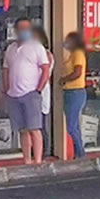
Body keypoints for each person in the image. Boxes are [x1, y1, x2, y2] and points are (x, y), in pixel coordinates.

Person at [3, 19, 50, 165]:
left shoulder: (37, 47)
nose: (25, 31)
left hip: (31, 94)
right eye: (22, 28)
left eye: (28, 28)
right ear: (16, 30)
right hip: (14, 95)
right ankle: (27, 160)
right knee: (22, 130)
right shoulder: (11, 49)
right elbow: (6, 69)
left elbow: (45, 69)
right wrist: (6, 88)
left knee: (34, 129)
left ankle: (38, 161)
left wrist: (39, 90)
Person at [59, 32, 88, 158]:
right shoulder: (72, 55)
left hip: (76, 92)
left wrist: (64, 79)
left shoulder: (78, 54)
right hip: (70, 92)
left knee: (71, 127)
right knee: (74, 125)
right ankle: (78, 153)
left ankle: (81, 153)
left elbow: (77, 72)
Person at [35, 27, 55, 159]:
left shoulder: (47, 55)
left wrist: (38, 89)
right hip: (33, 90)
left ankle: (44, 150)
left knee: (41, 122)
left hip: (41, 90)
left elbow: (45, 74)